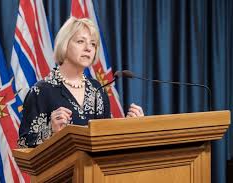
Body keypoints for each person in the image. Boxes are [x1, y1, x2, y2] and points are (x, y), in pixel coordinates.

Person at [17, 17, 144, 148]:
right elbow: (24, 144)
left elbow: (106, 139)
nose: (88, 48)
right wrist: (51, 131)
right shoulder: (41, 91)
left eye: (93, 44)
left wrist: (129, 127)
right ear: (64, 44)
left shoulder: (97, 89)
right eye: (80, 41)